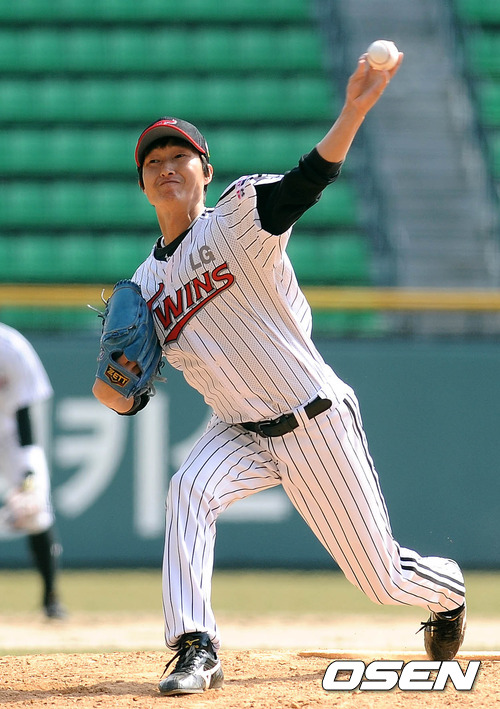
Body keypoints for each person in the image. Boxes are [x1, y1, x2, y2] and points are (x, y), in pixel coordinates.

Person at [93, 51, 466, 696]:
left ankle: (449, 589)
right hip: (237, 429)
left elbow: (304, 183)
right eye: (153, 162)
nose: (166, 167)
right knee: (188, 489)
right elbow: (124, 399)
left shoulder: (238, 220)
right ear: (143, 185)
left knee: (381, 580)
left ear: (205, 171)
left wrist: (353, 112)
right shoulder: (144, 286)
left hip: (313, 419)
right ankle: (195, 646)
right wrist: (116, 390)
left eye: (180, 156)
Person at [0, 322, 66, 619]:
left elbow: (23, 412)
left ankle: (51, 598)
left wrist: (28, 475)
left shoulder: (11, 347)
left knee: (35, 508)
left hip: (10, 434)